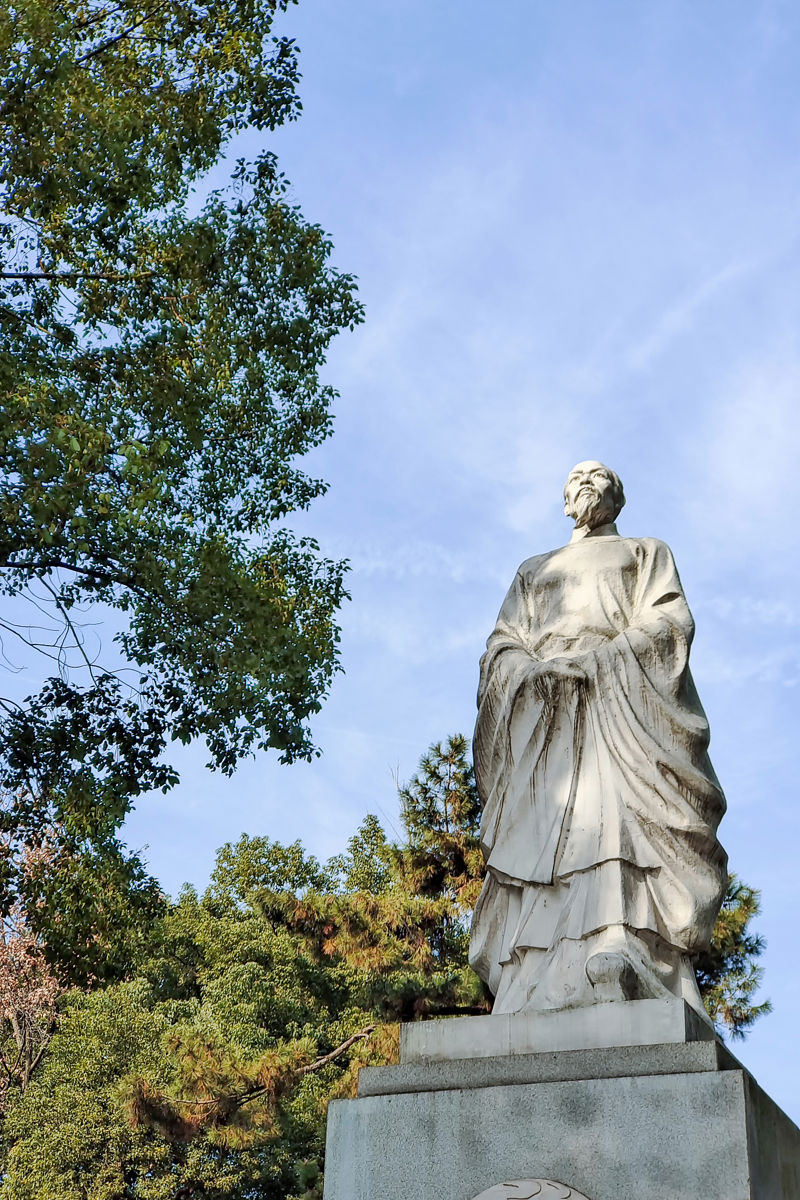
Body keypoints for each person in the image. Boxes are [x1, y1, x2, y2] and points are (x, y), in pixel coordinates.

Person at [468, 461, 727, 1016]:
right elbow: (502, 644)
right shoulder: (534, 570)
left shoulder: (644, 553)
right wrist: (531, 674)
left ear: (618, 496)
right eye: (576, 476)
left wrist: (605, 661)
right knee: (548, 831)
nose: (586, 480)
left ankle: (623, 942)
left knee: (616, 820)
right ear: (564, 499)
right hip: (547, 712)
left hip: (619, 702)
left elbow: (669, 623)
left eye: (599, 474)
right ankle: (532, 971)